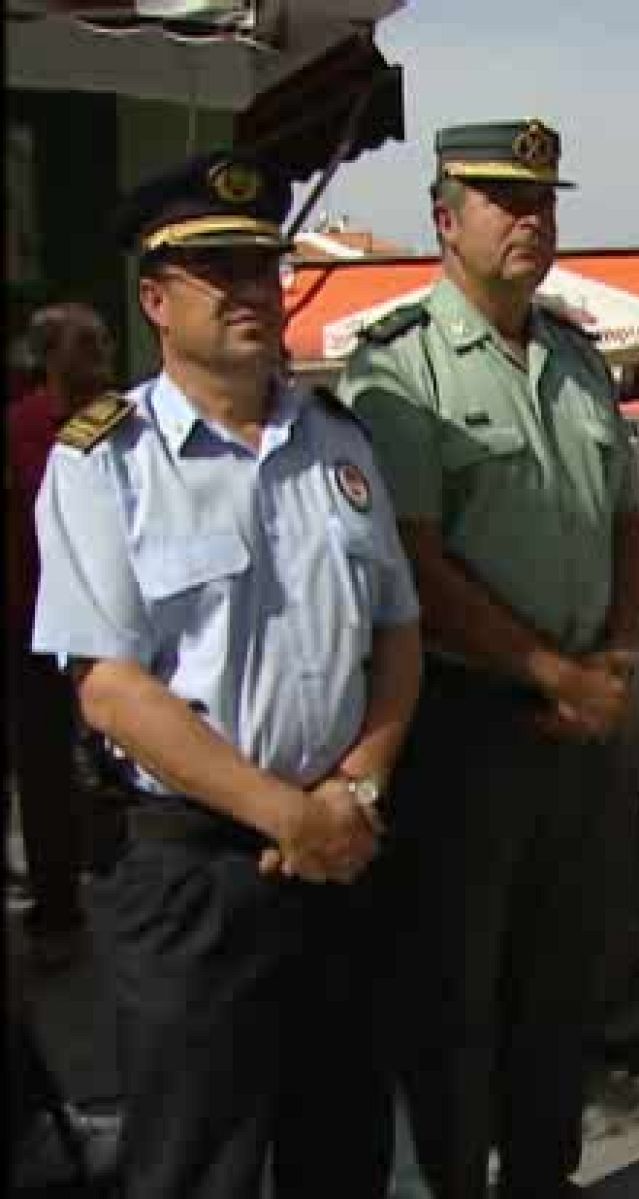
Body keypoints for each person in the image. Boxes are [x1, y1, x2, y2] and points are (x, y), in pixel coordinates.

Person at [32, 150, 422, 1199]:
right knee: (196, 1157)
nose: (254, 290)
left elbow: (396, 634)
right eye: (222, 272)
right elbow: (109, 685)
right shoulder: (101, 460)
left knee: (342, 1141)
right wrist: (287, 814)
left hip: (343, 845)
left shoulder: (341, 443)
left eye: (263, 266)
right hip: (189, 872)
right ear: (155, 299)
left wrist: (358, 787)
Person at [338, 120, 639, 1197]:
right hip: (468, 724)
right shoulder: (400, 367)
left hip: (583, 712)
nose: (532, 219)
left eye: (545, 202)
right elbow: (413, 567)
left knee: (556, 987)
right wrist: (548, 671)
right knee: (456, 994)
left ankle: (540, 1177)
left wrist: (611, 654)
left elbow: (626, 520)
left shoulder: (575, 358)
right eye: (504, 200)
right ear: (442, 219)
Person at [6, 302, 115, 968]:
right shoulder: (18, 429)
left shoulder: (130, 423)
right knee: (44, 769)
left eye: (103, 339)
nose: (100, 351)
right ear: (49, 354)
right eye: (85, 342)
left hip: (115, 627)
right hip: (34, 627)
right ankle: (57, 901)